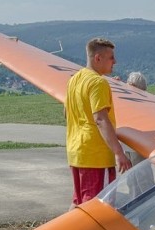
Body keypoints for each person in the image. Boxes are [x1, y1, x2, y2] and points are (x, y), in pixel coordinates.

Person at [65, 37, 132, 208]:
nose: (114, 62)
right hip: (95, 155)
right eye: (111, 57)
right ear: (98, 58)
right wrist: (118, 152)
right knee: (97, 207)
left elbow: (66, 112)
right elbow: (101, 119)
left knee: (78, 202)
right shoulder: (98, 82)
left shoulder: (75, 79)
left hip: (76, 151)